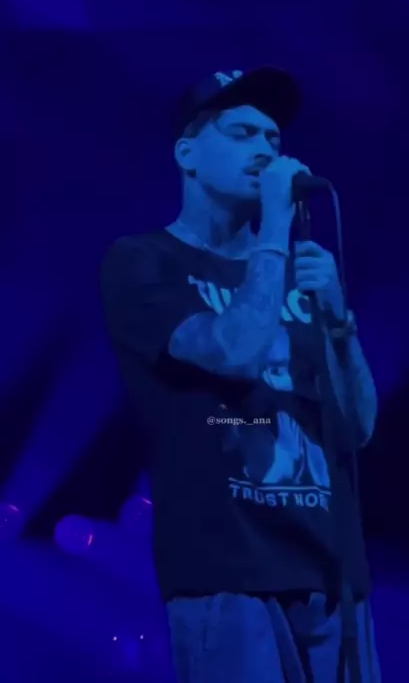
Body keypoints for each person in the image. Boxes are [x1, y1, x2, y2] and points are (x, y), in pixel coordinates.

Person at [100, 67, 382, 682]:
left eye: (274, 138)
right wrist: (275, 230)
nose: (265, 149)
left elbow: (357, 427)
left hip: (332, 574)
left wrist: (340, 322)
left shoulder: (301, 273)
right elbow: (235, 352)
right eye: (242, 133)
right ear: (187, 155)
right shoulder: (143, 261)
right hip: (228, 573)